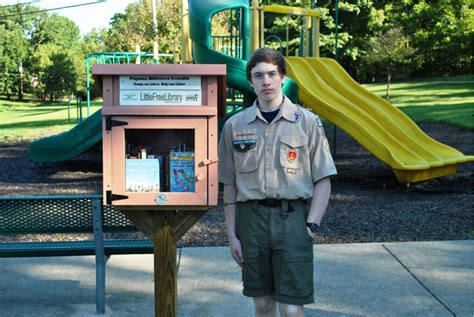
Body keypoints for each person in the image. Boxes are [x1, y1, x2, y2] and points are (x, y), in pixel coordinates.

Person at [218, 47, 337, 317]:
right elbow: (230, 185)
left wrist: (311, 226)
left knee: (292, 309)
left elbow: (323, 179)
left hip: (293, 220)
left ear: (282, 77)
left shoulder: (307, 122)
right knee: (262, 304)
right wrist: (232, 235)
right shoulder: (235, 126)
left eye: (272, 74)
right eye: (258, 75)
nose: (266, 81)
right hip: (252, 222)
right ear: (250, 81)